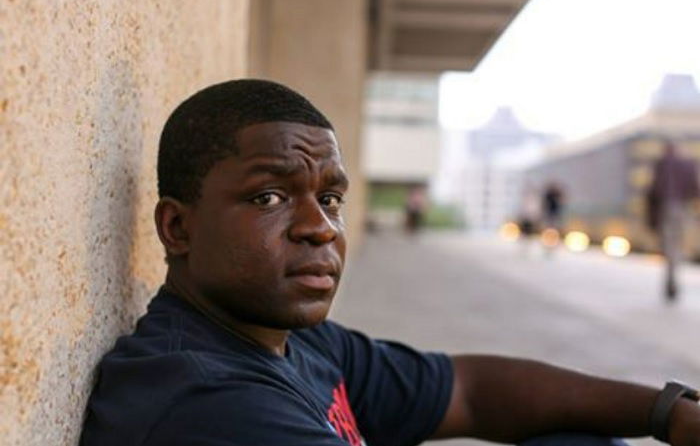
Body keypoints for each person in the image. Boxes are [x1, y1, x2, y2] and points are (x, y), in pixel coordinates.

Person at [80, 80, 700, 446]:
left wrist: (668, 411)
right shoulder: (205, 399)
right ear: (178, 227)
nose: (319, 229)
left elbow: (472, 391)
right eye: (268, 197)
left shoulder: (295, 343)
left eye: (329, 199)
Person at [646, 140, 700, 302]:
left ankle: (671, 276)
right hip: (683, 209)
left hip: (666, 208)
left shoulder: (661, 164)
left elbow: (654, 190)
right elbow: (695, 188)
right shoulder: (688, 164)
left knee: (669, 245)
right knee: (678, 244)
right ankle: (675, 271)